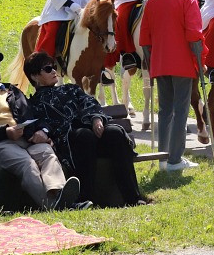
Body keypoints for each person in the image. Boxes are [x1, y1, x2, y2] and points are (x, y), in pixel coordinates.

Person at [25, 51, 147, 206]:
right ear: (34, 76)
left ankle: (133, 198)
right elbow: (45, 126)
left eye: (54, 67)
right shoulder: (34, 104)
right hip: (70, 143)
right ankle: (84, 199)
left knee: (115, 133)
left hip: (92, 132)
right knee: (84, 136)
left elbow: (89, 103)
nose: (54, 71)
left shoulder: (70, 89)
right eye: (48, 69)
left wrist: (96, 118)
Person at [0, 49, 89, 210]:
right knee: (27, 164)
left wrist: (43, 131)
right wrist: (5, 132)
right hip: (0, 144)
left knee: (47, 153)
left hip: (27, 139)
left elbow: (35, 116)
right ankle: (55, 206)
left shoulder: (12, 91)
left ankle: (60, 197)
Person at [140, 0, 204, 171]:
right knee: (180, 111)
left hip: (160, 63)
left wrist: (150, 63)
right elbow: (194, 36)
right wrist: (200, 60)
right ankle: (175, 160)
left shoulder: (152, 1)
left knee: (164, 110)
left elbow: (145, 39)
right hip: (183, 64)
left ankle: (162, 158)